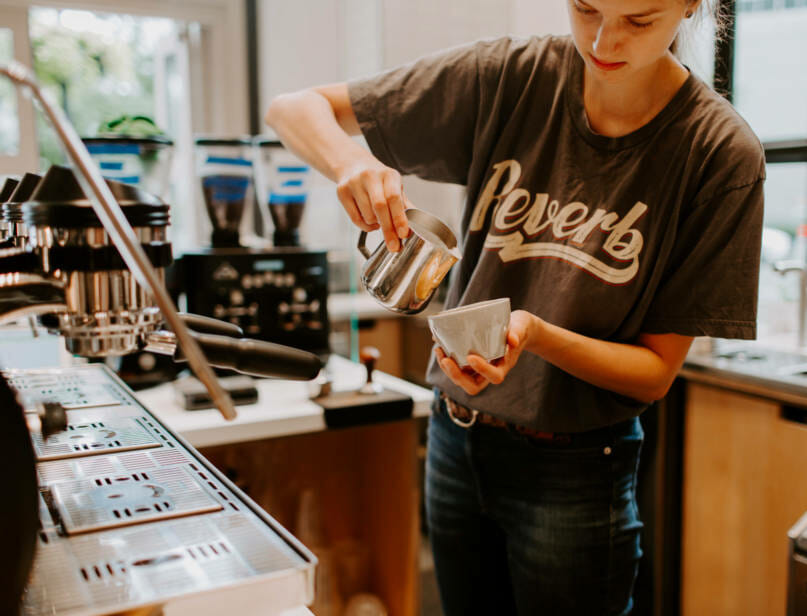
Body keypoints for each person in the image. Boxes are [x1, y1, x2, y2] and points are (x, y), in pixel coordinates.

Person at [265, 0, 765, 613]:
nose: (603, 41)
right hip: (455, 438)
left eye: (639, 20)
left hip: (577, 468)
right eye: (586, 8)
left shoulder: (718, 153)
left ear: (691, 7)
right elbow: (292, 109)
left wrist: (534, 335)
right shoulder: (509, 76)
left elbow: (656, 372)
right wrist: (354, 164)